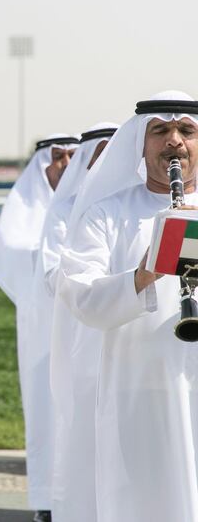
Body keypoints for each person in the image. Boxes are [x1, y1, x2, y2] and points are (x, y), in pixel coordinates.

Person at [59, 91, 198, 522]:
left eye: (187, 131)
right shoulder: (107, 214)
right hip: (139, 391)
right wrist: (144, 274)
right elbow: (81, 297)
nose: (174, 141)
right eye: (160, 130)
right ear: (141, 143)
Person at [0, 133, 79, 522]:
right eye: (56, 157)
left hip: (88, 327)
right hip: (42, 329)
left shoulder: (92, 205)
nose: (63, 164)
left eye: (72, 156)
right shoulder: (27, 209)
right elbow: (6, 250)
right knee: (46, 410)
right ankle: (46, 498)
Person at [35, 123, 118, 522]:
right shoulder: (67, 212)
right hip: (80, 340)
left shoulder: (129, 207)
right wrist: (100, 283)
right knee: (84, 436)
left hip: (130, 346)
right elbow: (55, 276)